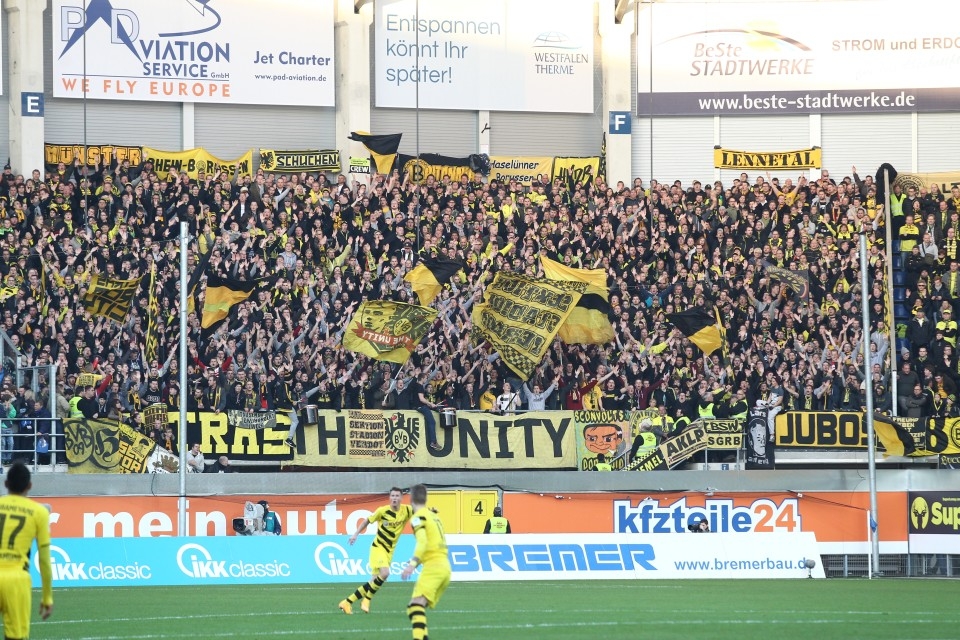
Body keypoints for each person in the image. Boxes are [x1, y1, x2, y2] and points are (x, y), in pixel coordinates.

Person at [339, 487, 413, 615]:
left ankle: (347, 602)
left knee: (373, 582)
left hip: (389, 551)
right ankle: (367, 600)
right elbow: (367, 521)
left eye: (397, 496)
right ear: (389, 497)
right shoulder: (382, 511)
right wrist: (355, 534)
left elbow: (421, 514)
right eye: (392, 496)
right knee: (385, 573)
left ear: (401, 498)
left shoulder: (407, 510)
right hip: (378, 547)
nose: (394, 498)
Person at [0, 462, 53, 640]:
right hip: (17, 580)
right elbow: (44, 560)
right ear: (29, 486)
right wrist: (47, 597)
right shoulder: (39, 512)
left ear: (6, 484)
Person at [401, 484, 450, 640]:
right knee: (413, 608)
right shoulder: (435, 517)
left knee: (416, 605)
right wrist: (417, 560)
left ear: (411, 499)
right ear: (426, 498)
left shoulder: (418, 517)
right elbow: (433, 543)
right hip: (444, 567)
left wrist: (412, 565)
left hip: (433, 567)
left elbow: (422, 542)